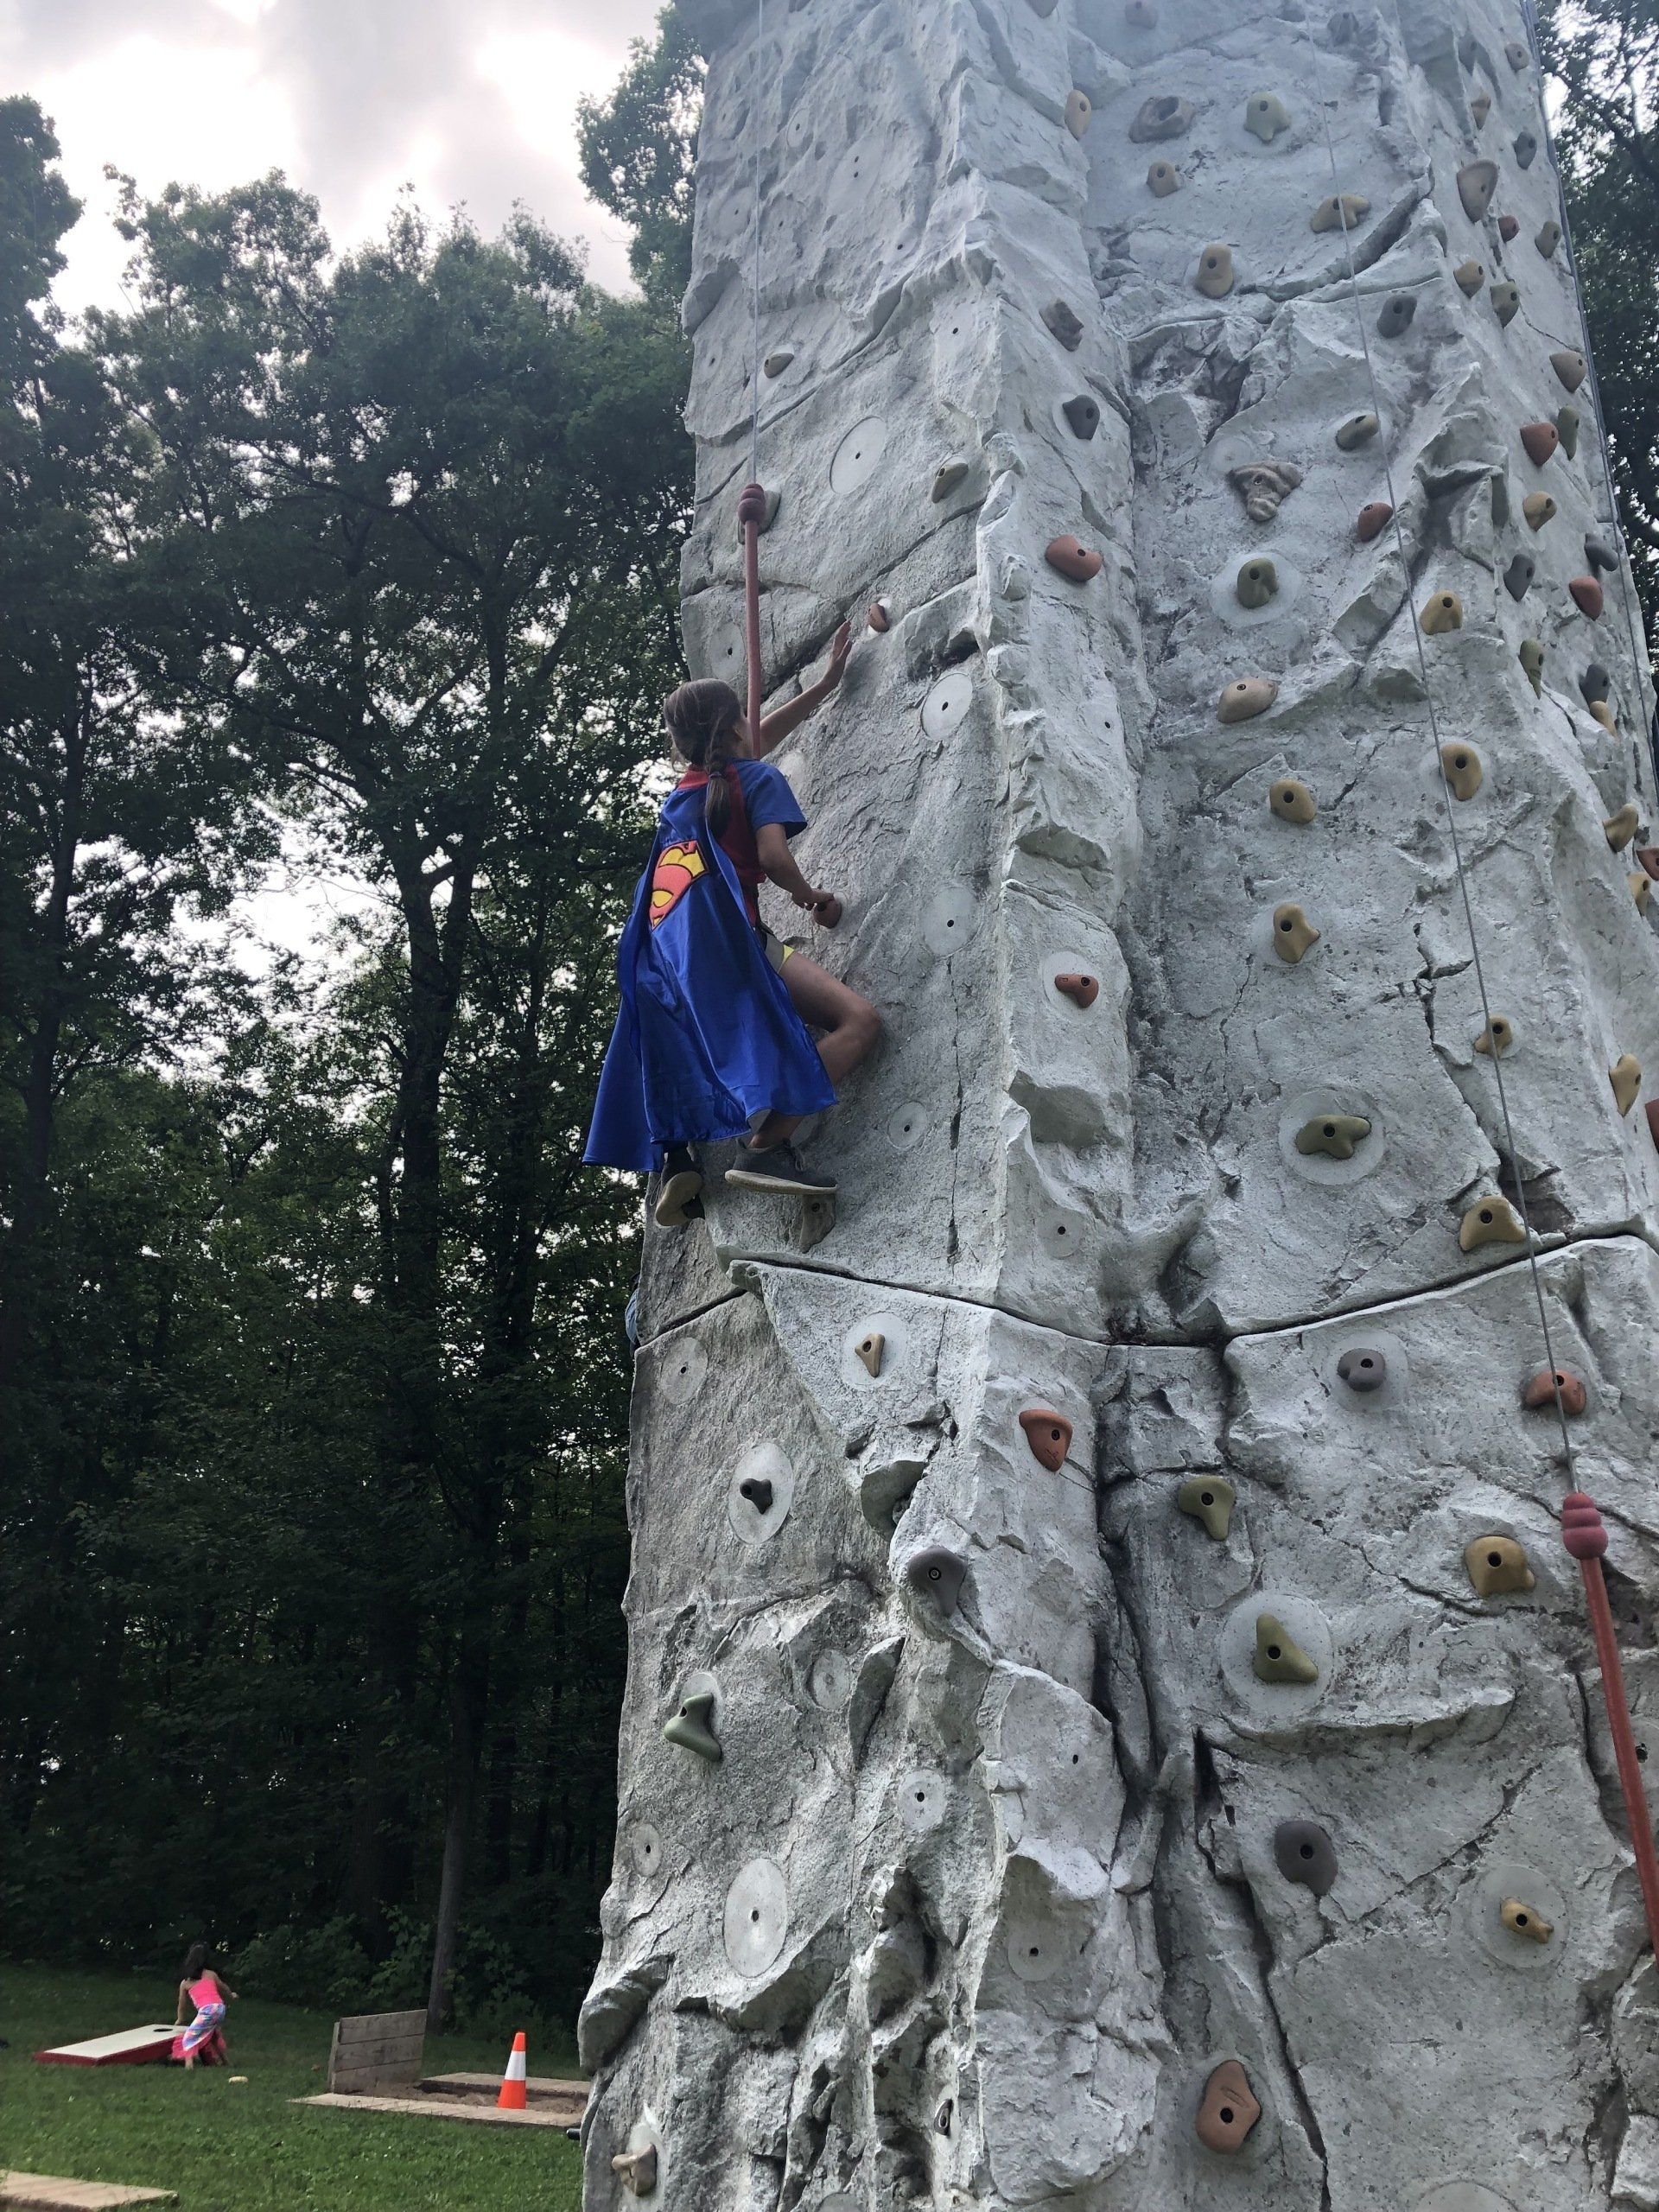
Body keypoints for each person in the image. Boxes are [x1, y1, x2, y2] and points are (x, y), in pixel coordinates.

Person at [585, 623, 881, 1224]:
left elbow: (749, 751)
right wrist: (812, 896)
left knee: (693, 1043)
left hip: (672, 962)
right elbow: (772, 857)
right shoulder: (756, 781)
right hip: (737, 949)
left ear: (681, 744)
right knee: (858, 1022)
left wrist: (822, 687)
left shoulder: (682, 798)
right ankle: (767, 1148)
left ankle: (677, 1159)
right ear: (735, 724)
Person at [171, 1942, 235, 2069]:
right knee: (213, 2035)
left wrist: (180, 2019)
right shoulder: (211, 1974)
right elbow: (223, 1987)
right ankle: (227, 2063)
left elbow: (182, 2004)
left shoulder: (186, 1983)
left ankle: (189, 2066)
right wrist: (231, 1995)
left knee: (188, 2038)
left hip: (208, 2010)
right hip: (220, 2008)